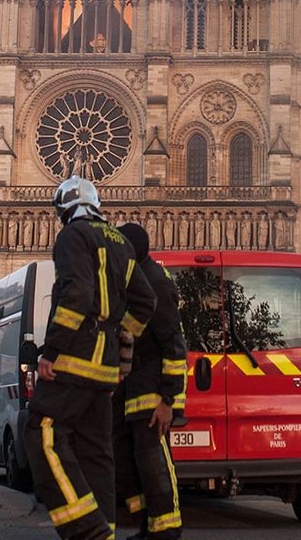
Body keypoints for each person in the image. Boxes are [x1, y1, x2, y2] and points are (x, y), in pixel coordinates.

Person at [26, 177, 158, 540]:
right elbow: (146, 302)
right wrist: (122, 341)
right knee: (97, 453)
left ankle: (87, 530)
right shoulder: (122, 243)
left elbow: (79, 294)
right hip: (105, 368)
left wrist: (51, 350)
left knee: (43, 432)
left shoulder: (73, 236)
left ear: (64, 209)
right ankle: (106, 530)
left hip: (74, 358)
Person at [114, 223, 187, 540]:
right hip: (134, 389)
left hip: (154, 393)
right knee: (128, 460)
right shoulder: (136, 280)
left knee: (153, 461)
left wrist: (168, 400)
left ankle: (167, 529)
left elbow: (174, 343)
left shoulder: (155, 284)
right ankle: (148, 522)